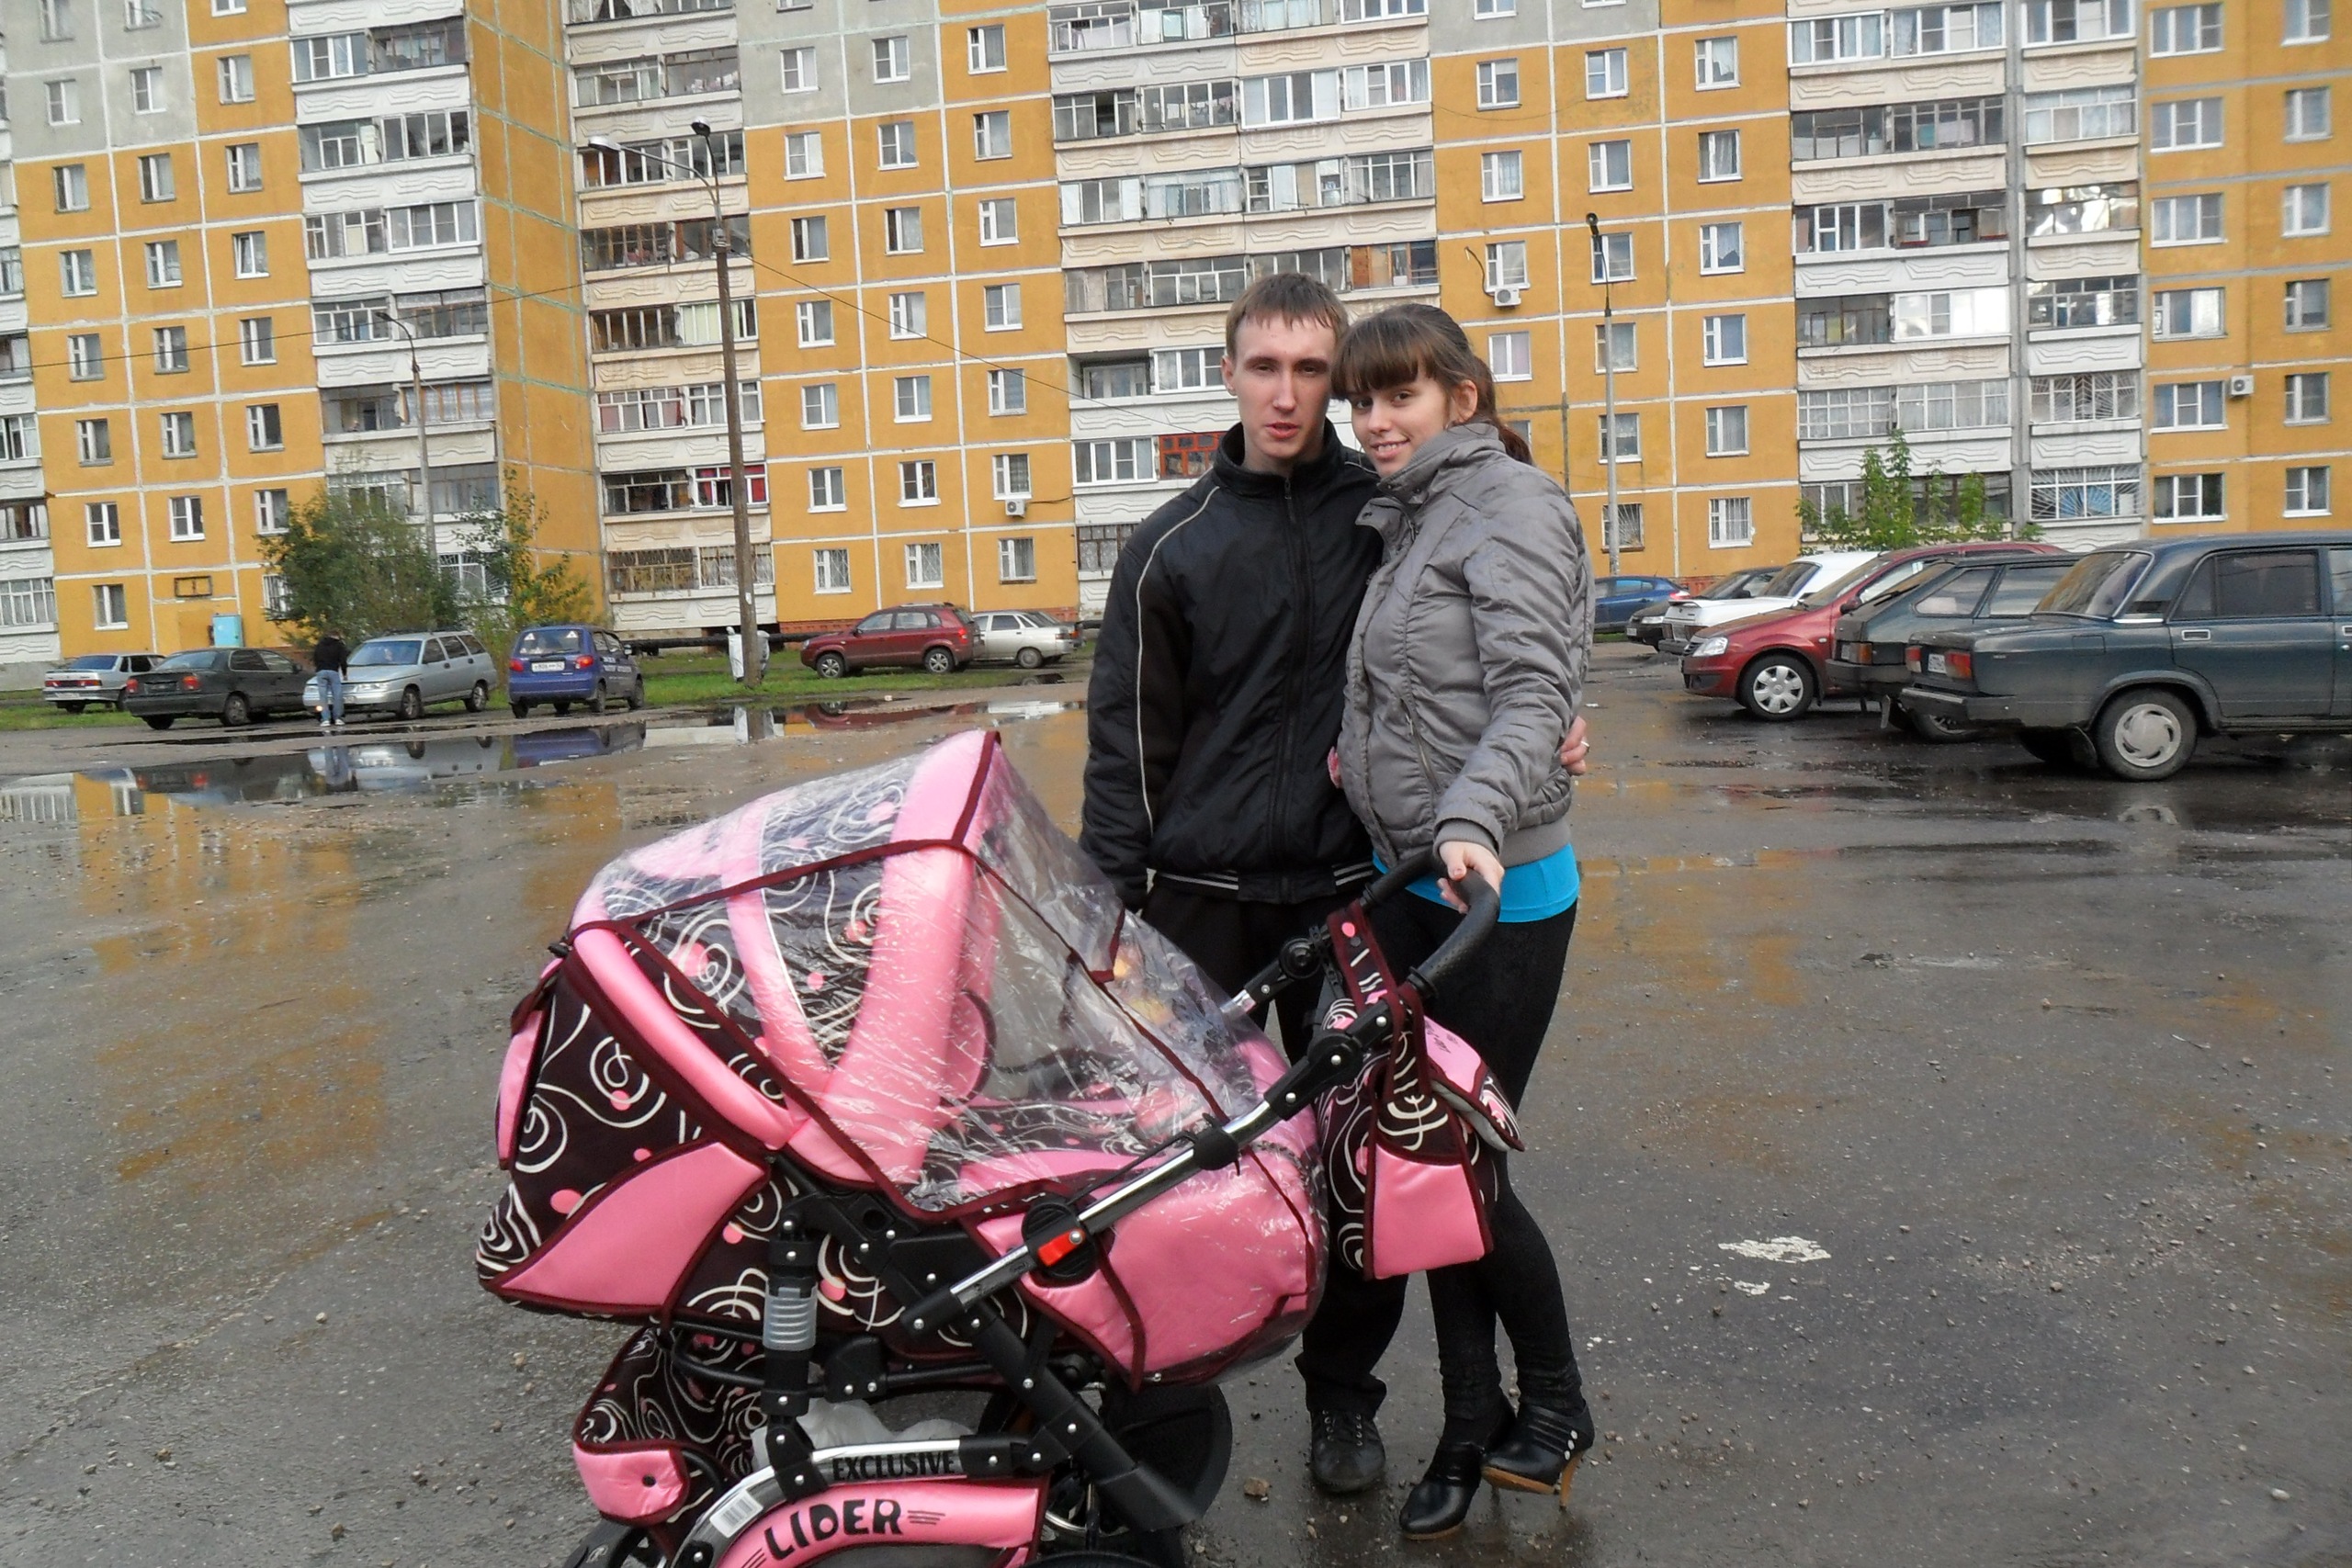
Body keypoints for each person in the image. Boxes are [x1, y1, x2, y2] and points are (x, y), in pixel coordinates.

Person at [1080, 275, 1590, 1500]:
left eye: (1318, 372)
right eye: (1267, 367)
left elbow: (1513, 655)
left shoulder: (1389, 507)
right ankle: (1151, 1401)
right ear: (1229, 373)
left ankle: (1343, 1397)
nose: (1293, 395)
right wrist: (1107, 906)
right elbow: (1124, 741)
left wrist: (1552, 729)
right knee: (1161, 1158)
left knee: (1377, 1164)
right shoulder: (1172, 544)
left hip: (1360, 888)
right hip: (1199, 896)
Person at [1329, 303, 1595, 1540]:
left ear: (1462, 398)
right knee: (1424, 1172)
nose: (1376, 422)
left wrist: (1473, 815)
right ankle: (1474, 1418)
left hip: (1499, 887)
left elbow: (1536, 689)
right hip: (1417, 883)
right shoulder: (1416, 515)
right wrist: (1360, 760)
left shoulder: (1510, 506)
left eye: (1401, 396)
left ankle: (1553, 1403)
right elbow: (1425, 686)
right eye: (1363, 402)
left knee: (1455, 1170)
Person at [311, 629, 349, 730]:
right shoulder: (339, 645)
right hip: (333, 671)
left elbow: (315, 658)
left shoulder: (319, 645)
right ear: (337, 636)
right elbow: (343, 660)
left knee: (323, 697)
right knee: (337, 695)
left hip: (321, 671)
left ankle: (325, 719)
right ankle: (338, 718)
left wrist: (319, 668)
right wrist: (345, 673)